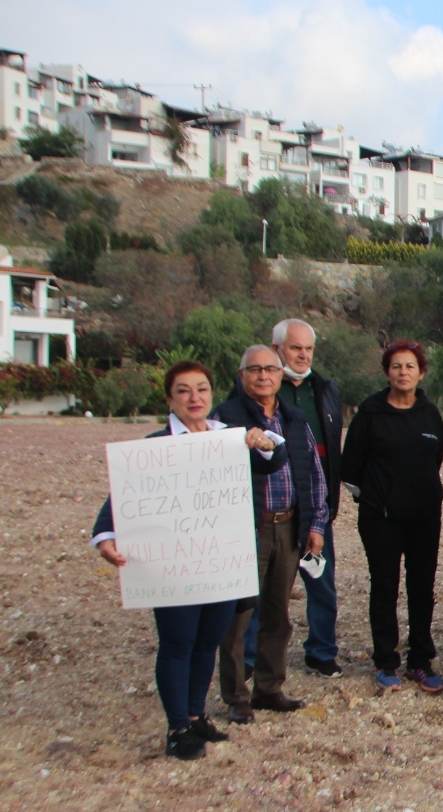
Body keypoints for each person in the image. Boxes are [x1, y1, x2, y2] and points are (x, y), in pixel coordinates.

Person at [91, 360, 281, 758]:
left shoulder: (229, 438)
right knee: (178, 643)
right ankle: (177, 728)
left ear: (212, 395)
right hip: (172, 564)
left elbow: (275, 462)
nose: (194, 398)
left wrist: (264, 442)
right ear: (169, 398)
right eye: (183, 390)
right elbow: (122, 497)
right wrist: (105, 535)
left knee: (208, 642)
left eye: (201, 389)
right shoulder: (155, 445)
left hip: (221, 560)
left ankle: (196, 717)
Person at [215, 345, 329, 722]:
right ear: (241, 374)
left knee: (278, 613)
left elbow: (314, 475)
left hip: (289, 525)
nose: (263, 376)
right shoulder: (225, 419)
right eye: (255, 369)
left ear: (281, 375)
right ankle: (236, 697)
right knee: (239, 614)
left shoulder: (295, 419)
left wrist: (314, 525)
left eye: (270, 369)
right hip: (248, 527)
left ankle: (270, 688)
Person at [340, 340, 443, 693]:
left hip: (424, 518)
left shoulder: (430, 414)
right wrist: (374, 499)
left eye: (410, 366)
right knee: (384, 588)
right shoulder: (370, 414)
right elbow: (351, 466)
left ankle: (420, 660)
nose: (403, 372)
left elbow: (435, 459)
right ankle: (385, 660)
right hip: (380, 518)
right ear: (387, 372)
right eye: (396, 366)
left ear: (421, 372)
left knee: (422, 589)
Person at [270, 319, 345, 678]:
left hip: (317, 506)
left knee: (321, 583)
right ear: (277, 349)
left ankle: (321, 651)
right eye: (295, 348)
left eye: (308, 348)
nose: (302, 355)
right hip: (272, 506)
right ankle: (254, 658)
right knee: (267, 587)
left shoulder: (327, 389)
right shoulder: (261, 389)